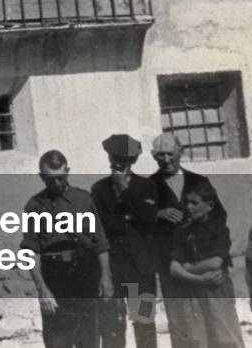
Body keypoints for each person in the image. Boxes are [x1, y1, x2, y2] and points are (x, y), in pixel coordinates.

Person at [23, 150, 112, 348]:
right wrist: (42, 289)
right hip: (54, 276)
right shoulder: (35, 206)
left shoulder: (84, 200)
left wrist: (106, 278)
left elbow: (100, 243)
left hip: (84, 273)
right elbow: (30, 251)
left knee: (88, 337)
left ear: (68, 172)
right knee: (57, 340)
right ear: (41, 177)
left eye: (60, 178)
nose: (56, 184)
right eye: (49, 179)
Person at [148, 133, 226, 348]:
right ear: (154, 157)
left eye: (170, 154)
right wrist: (157, 214)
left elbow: (219, 217)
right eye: (160, 155)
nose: (165, 159)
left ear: (180, 153)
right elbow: (138, 223)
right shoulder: (147, 185)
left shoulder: (199, 181)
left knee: (213, 319)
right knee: (181, 322)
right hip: (170, 265)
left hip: (201, 261)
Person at [91, 134, 159, 348]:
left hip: (142, 271)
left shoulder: (147, 186)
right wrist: (130, 217)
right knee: (112, 326)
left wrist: (124, 190)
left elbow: (149, 219)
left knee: (145, 323)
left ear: (133, 161)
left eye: (123, 159)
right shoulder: (99, 189)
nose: (118, 163)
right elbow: (103, 226)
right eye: (114, 158)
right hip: (114, 269)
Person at [167, 181, 244, 348]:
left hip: (217, 290)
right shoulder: (182, 230)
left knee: (224, 335)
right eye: (186, 202)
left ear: (209, 205)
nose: (188, 207)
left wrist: (187, 268)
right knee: (197, 338)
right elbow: (174, 268)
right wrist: (199, 278)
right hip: (192, 290)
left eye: (194, 203)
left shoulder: (219, 229)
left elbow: (216, 262)